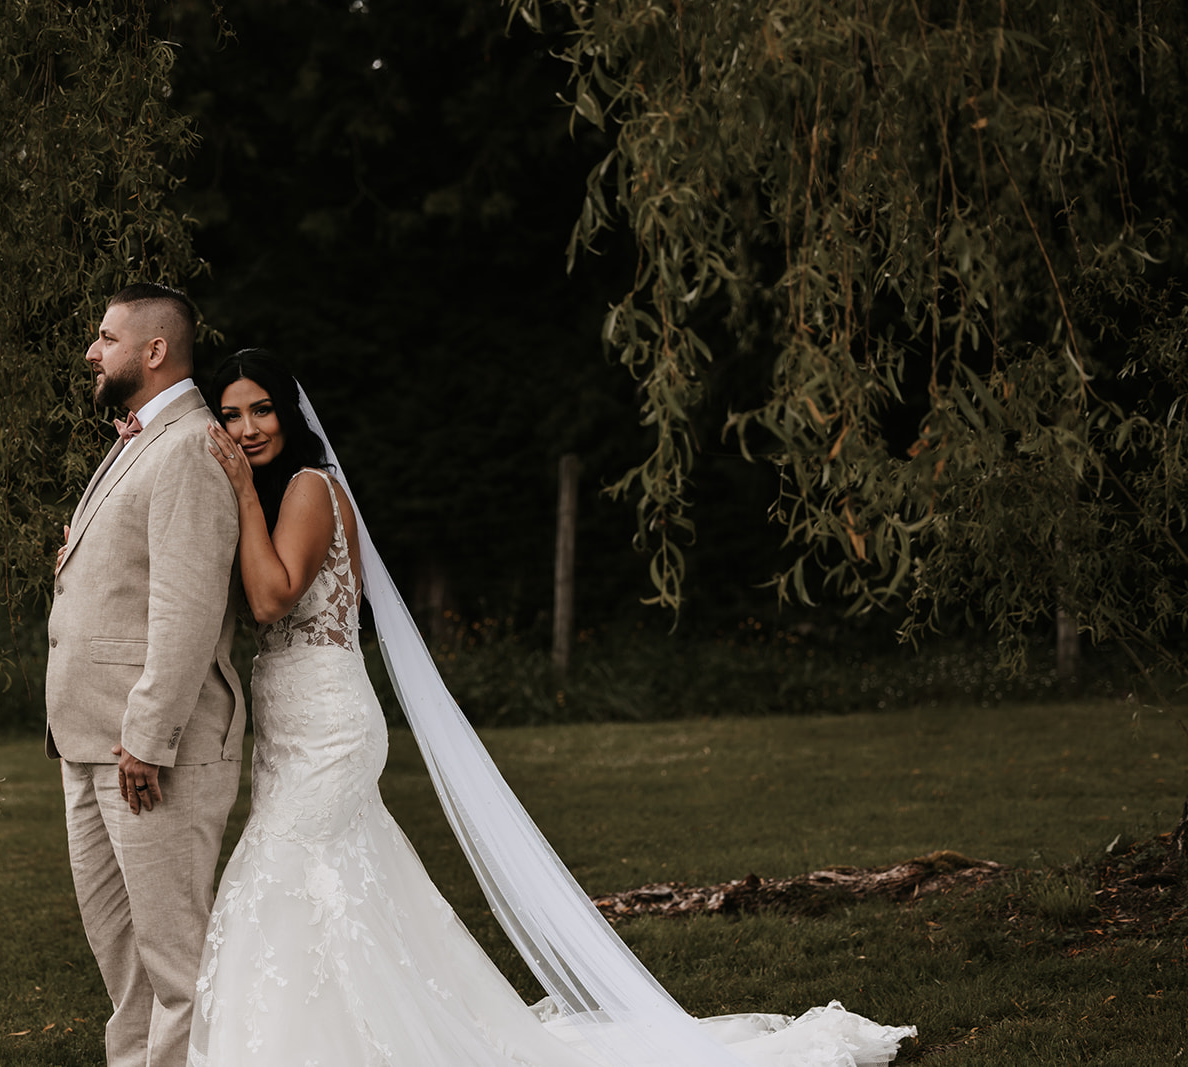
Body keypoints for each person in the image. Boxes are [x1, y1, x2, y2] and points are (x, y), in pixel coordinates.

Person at [189, 348, 917, 1067]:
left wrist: (243, 494)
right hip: (290, 728)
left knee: (282, 869)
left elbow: (270, 595)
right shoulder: (276, 493)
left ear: (289, 413)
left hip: (327, 723)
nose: (247, 427)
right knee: (337, 880)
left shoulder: (309, 489)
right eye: (230, 414)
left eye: (262, 409)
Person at [45, 284, 245, 1067]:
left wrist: (148, 739)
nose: (92, 351)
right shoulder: (135, 439)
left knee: (175, 967)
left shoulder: (191, 445)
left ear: (154, 350)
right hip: (90, 742)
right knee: (124, 969)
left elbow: (188, 610)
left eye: (106, 337)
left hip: (152, 752)